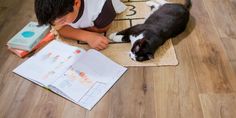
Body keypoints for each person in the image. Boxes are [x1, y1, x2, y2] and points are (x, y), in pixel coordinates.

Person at [35, 0, 126, 50]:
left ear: (77, 3)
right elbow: (59, 28)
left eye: (63, 20)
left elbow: (103, 28)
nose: (56, 24)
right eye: (52, 22)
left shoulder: (101, 8)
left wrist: (68, 29)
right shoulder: (59, 13)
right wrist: (87, 36)